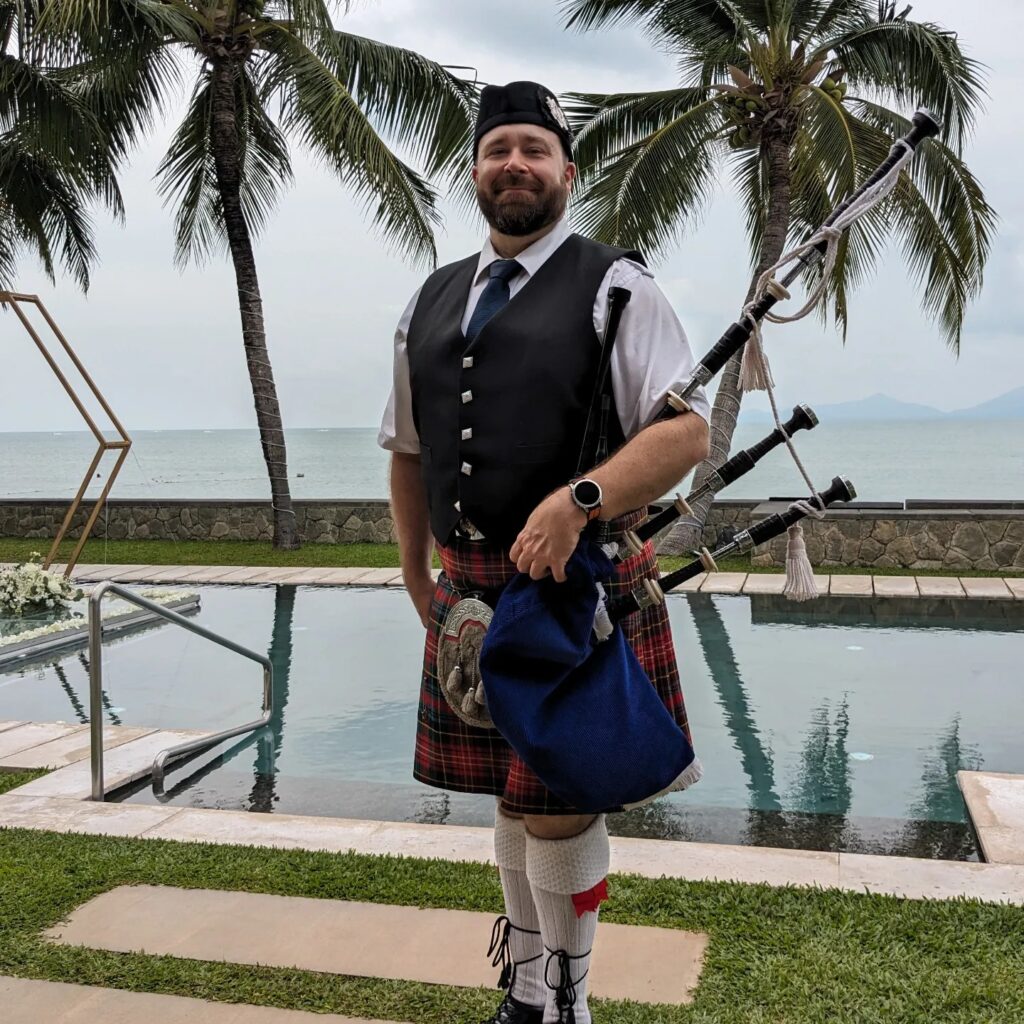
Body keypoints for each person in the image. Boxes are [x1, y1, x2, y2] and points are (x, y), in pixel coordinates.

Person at [378, 80, 710, 1024]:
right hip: (473, 591)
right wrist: (414, 574)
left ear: (568, 170)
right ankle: (526, 995)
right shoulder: (432, 300)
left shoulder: (617, 285)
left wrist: (583, 497)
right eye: (497, 149)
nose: (514, 164)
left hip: (580, 584)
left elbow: (687, 434)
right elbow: (407, 450)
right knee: (511, 800)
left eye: (533, 148)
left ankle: (568, 1003)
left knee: (561, 798)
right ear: (475, 172)